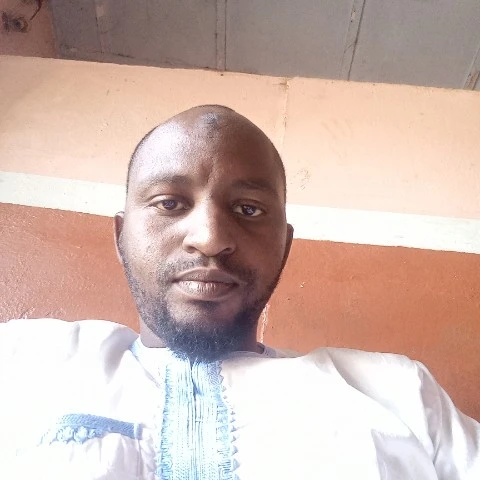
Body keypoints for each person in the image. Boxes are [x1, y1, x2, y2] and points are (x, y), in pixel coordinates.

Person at [0, 105, 478, 480]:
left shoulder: (399, 393)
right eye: (170, 203)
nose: (210, 238)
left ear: (284, 245)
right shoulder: (23, 363)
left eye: (248, 209)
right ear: (121, 237)